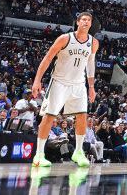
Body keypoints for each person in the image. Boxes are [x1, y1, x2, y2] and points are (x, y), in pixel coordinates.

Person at [30, 11, 99, 168]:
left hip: (78, 84)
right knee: (49, 117)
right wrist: (37, 80)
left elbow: (90, 64)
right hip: (59, 82)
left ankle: (79, 152)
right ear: (77, 22)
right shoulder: (65, 38)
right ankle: (39, 155)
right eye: (83, 19)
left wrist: (92, 87)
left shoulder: (93, 42)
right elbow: (47, 58)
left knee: (82, 116)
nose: (86, 22)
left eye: (89, 20)